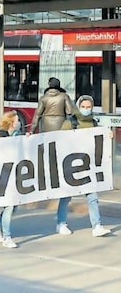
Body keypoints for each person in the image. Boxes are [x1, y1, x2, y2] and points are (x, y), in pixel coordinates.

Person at [55, 95, 111, 237]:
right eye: (83, 107)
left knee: (92, 196)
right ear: (78, 106)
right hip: (71, 166)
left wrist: (107, 135)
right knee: (66, 196)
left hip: (87, 166)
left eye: (89, 107)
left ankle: (96, 225)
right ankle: (61, 223)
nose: (86, 109)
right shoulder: (70, 123)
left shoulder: (94, 123)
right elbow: (58, 141)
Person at [0, 111, 22, 248]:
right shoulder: (0, 136)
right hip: (3, 174)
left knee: (14, 206)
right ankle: (7, 237)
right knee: (10, 205)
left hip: (13, 173)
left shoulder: (16, 135)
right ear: (11, 123)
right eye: (17, 120)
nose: (19, 122)